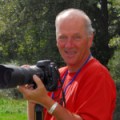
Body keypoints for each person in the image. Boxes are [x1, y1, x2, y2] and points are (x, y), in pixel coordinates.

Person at [18, 8, 116, 120]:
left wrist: (46, 101)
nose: (69, 45)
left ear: (90, 39)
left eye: (76, 37)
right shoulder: (57, 75)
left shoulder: (98, 75)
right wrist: (33, 99)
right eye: (63, 37)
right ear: (56, 40)